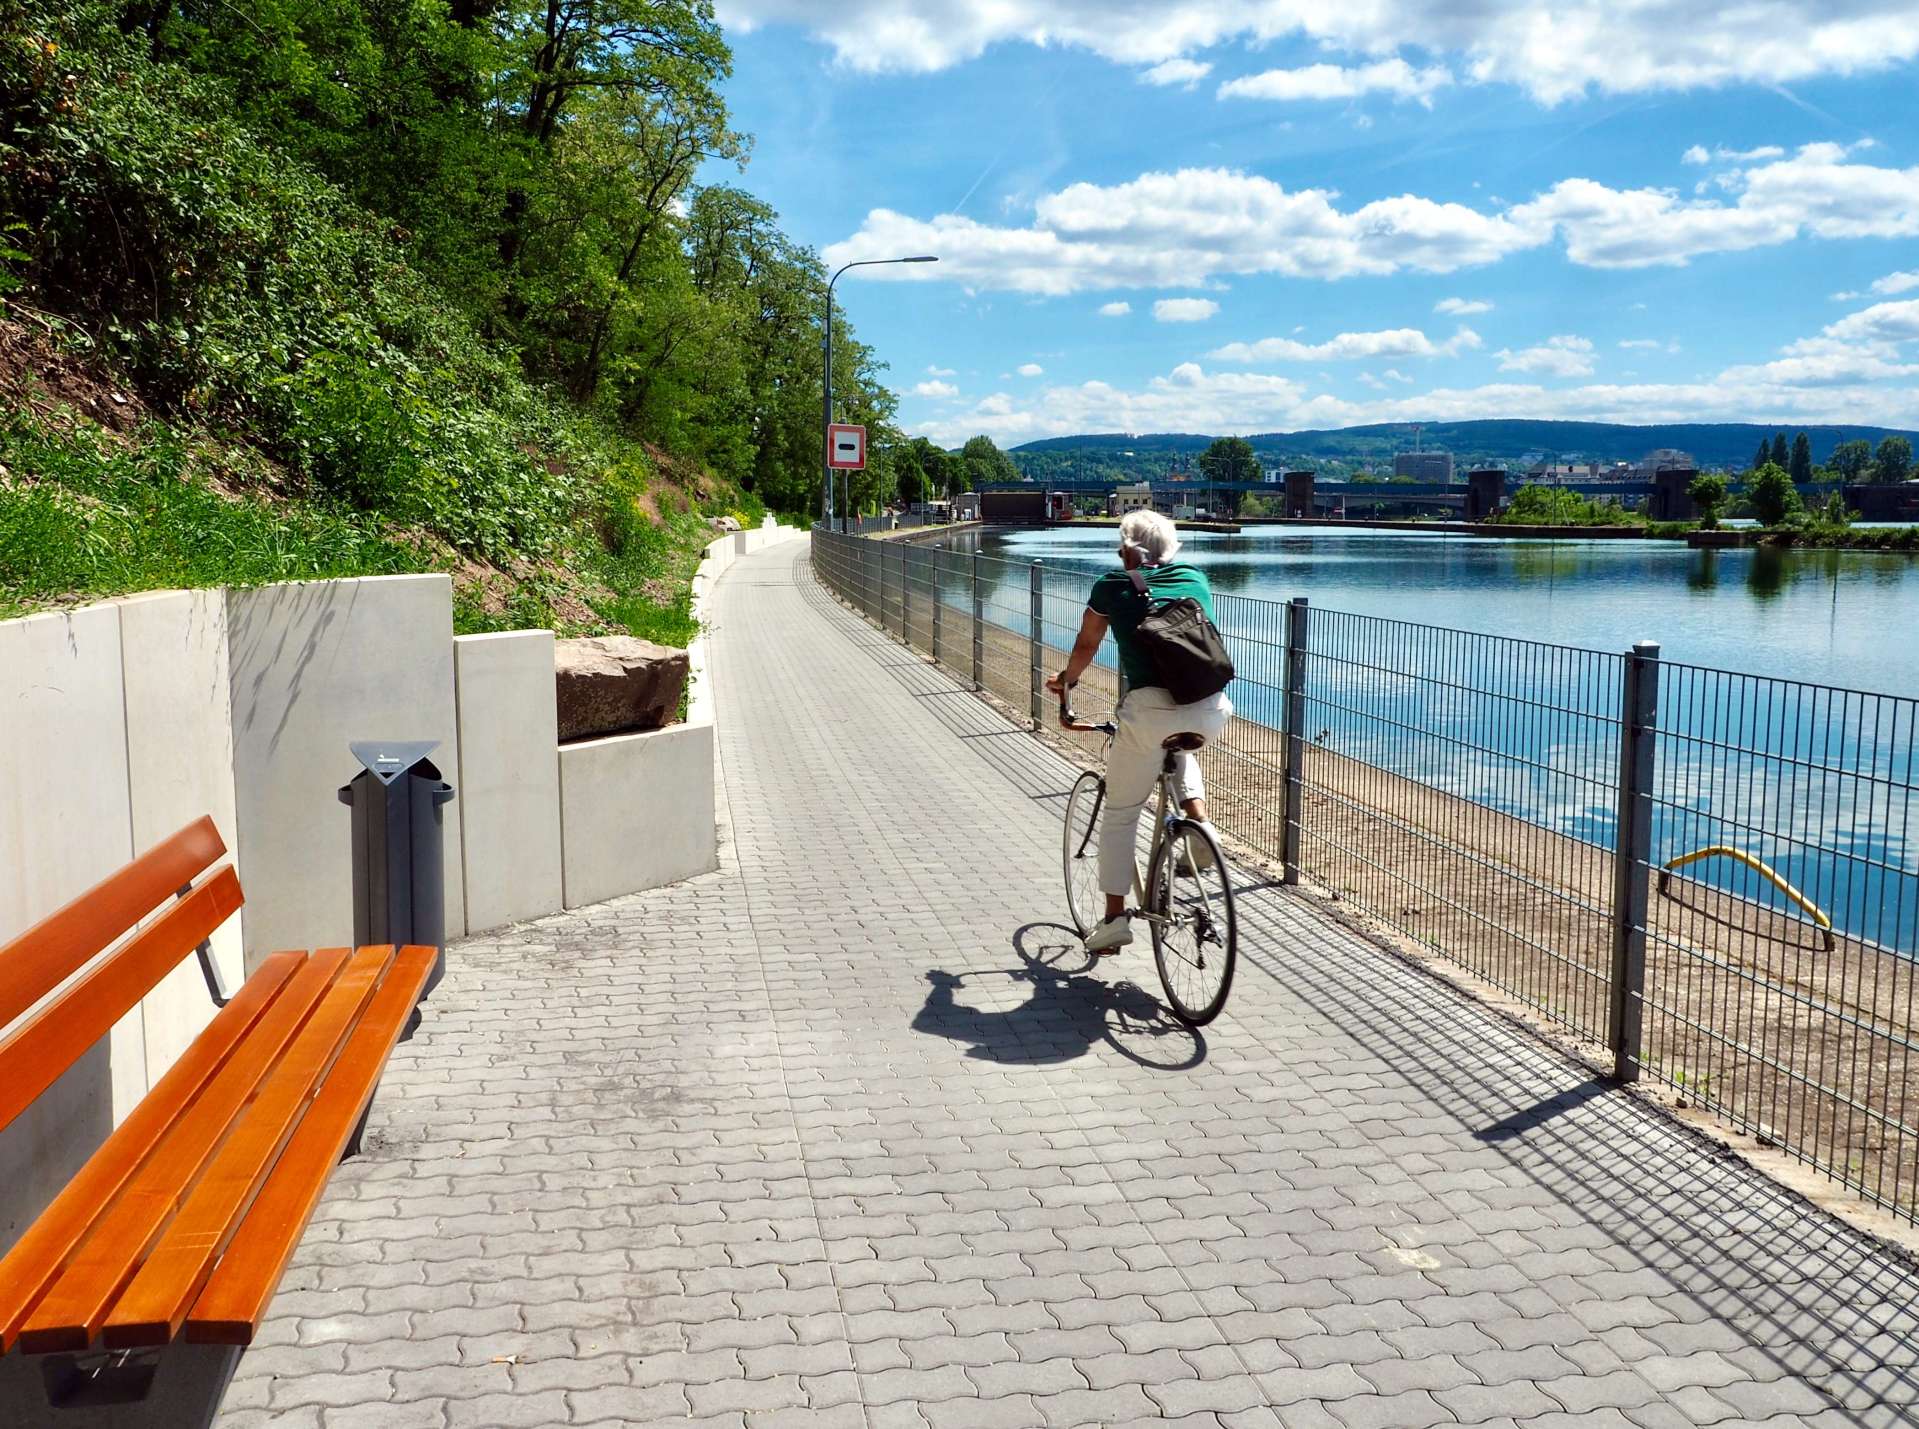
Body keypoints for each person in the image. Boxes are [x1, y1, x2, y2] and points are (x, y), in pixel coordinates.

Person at [1045, 510, 1232, 953]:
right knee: (1180, 745)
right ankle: (1201, 826)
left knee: (1122, 812)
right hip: (1211, 706)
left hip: (1147, 711)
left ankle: (1113, 920)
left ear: (1130, 549)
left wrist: (1066, 683)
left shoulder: (1111, 585)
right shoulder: (1195, 577)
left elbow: (1086, 645)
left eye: (1120, 547)